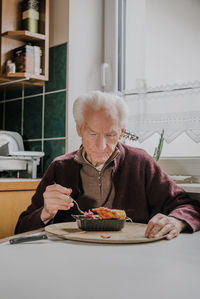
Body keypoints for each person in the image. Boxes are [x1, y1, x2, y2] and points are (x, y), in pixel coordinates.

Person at [15, 90, 200, 239]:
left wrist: (176, 221)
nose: (101, 146)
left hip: (130, 257)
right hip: (71, 257)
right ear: (79, 129)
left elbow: (188, 206)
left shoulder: (140, 162)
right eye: (93, 134)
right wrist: (46, 212)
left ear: (121, 132)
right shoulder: (60, 167)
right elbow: (21, 228)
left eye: (110, 135)